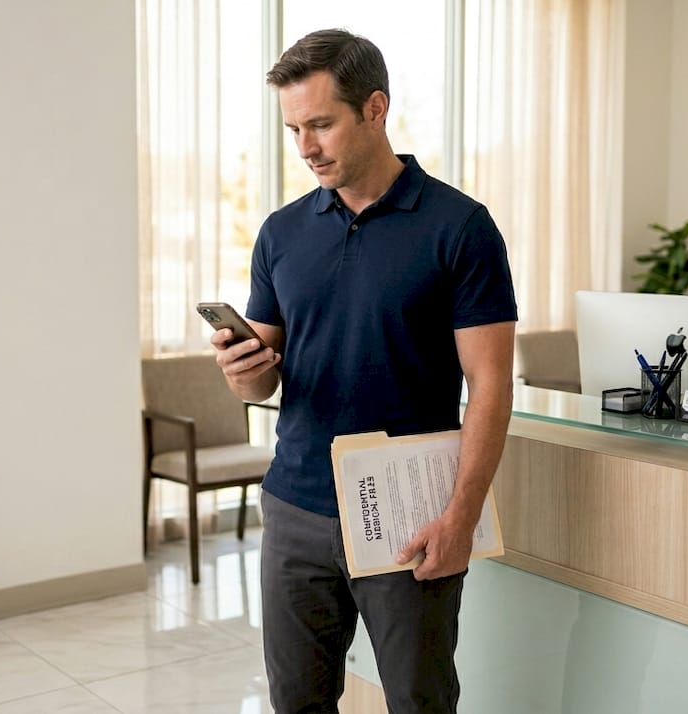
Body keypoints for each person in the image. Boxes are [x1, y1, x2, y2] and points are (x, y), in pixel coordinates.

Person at [211, 29, 517, 713]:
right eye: (294, 128)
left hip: (409, 511)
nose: (305, 147)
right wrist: (242, 371)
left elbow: (491, 385)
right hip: (294, 505)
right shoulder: (280, 233)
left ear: (375, 108)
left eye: (321, 123)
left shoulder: (461, 228)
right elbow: (261, 379)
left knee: (418, 700)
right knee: (297, 702)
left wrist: (461, 517)